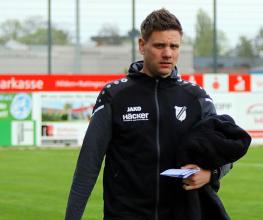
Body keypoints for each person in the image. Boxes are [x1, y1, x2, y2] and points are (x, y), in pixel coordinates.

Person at [65, 8, 236, 220]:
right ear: (142, 45)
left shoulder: (195, 98)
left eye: (174, 46)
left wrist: (211, 174)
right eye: (159, 45)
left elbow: (225, 150)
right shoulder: (115, 96)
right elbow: (88, 165)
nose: (168, 53)